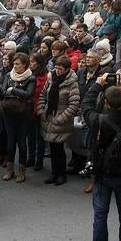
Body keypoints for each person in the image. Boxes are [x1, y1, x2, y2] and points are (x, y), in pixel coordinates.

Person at [81, 74, 121, 241]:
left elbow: (86, 106)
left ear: (106, 103)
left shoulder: (98, 120)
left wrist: (98, 85)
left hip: (102, 173)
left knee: (100, 214)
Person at [37, 56, 80, 186]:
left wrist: (61, 118)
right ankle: (54, 173)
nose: (57, 70)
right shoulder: (51, 78)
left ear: (67, 69)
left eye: (60, 69)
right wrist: (41, 110)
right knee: (52, 147)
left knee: (59, 149)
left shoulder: (72, 83)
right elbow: (43, 95)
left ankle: (61, 174)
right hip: (49, 117)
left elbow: (74, 104)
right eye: (56, 67)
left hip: (61, 120)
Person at [0, 52, 35, 183]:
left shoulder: (31, 78)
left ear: (25, 65)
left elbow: (28, 95)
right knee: (10, 142)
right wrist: (15, 94)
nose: (14, 66)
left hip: (23, 114)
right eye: (13, 63)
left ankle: (21, 170)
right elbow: (3, 92)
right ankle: (9, 169)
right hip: (8, 112)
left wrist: (13, 91)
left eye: (17, 64)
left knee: (21, 143)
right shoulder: (9, 75)